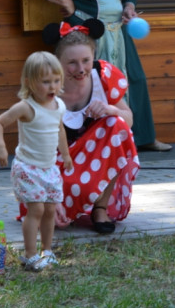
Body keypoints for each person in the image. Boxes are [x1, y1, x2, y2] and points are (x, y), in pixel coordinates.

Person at [29, 0, 171, 152]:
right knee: (95, 86)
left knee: (134, 80)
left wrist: (129, 7)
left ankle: (144, 138)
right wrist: (63, 1)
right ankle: (99, 144)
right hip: (88, 37)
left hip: (120, 35)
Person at [25, 20, 140, 234]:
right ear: (57, 62)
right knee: (53, 219)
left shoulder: (103, 76)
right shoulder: (45, 90)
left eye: (86, 60)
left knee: (117, 124)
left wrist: (109, 109)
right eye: (72, 63)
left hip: (96, 162)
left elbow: (129, 121)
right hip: (55, 166)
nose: (81, 69)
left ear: (94, 56)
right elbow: (36, 151)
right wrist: (51, 198)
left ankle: (100, 208)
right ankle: (58, 202)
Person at [0, 51, 73, 271]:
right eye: (45, 82)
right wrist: (0, 148)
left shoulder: (59, 105)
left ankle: (47, 251)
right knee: (35, 210)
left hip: (49, 168)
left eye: (56, 81)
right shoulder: (26, 107)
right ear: (30, 82)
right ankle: (29, 254)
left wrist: (65, 155)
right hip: (27, 167)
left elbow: (59, 129)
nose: (52, 87)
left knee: (49, 210)